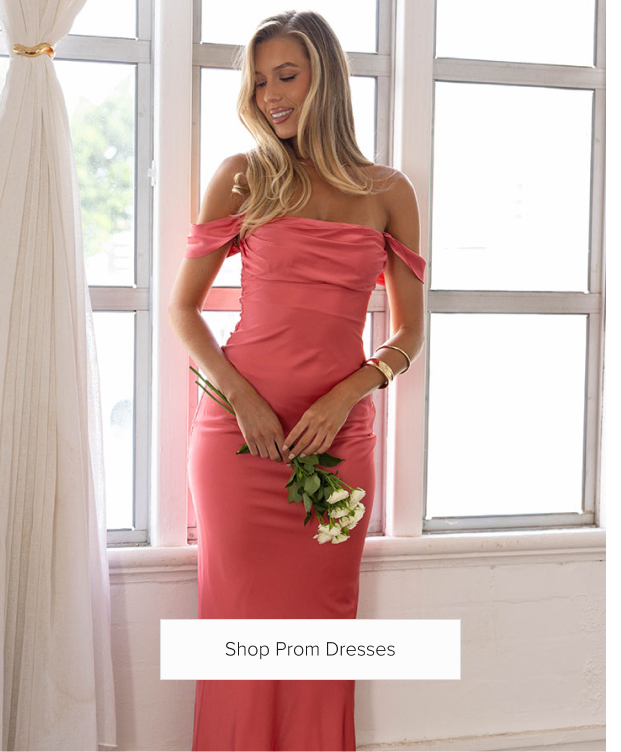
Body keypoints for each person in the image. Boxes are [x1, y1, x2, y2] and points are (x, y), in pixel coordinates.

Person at [167, 9, 426, 752]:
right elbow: (183, 311)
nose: (271, 95)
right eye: (258, 82)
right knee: (238, 628)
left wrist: (348, 392)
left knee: (321, 629)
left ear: (326, 79)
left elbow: (409, 333)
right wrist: (240, 399)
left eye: (286, 75)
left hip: (336, 441)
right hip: (238, 439)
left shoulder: (388, 191)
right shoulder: (243, 177)